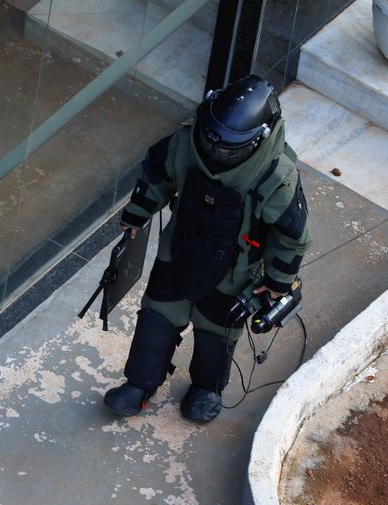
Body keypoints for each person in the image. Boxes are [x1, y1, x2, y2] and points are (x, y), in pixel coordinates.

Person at [104, 75, 312, 423]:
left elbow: (293, 235)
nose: (217, 150)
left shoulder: (278, 176)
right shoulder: (188, 140)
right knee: (156, 316)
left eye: (229, 148)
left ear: (258, 138)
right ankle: (139, 384)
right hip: (178, 248)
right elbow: (157, 174)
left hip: (236, 269)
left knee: (216, 332)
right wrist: (137, 214)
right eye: (214, 142)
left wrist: (277, 281)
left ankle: (206, 389)